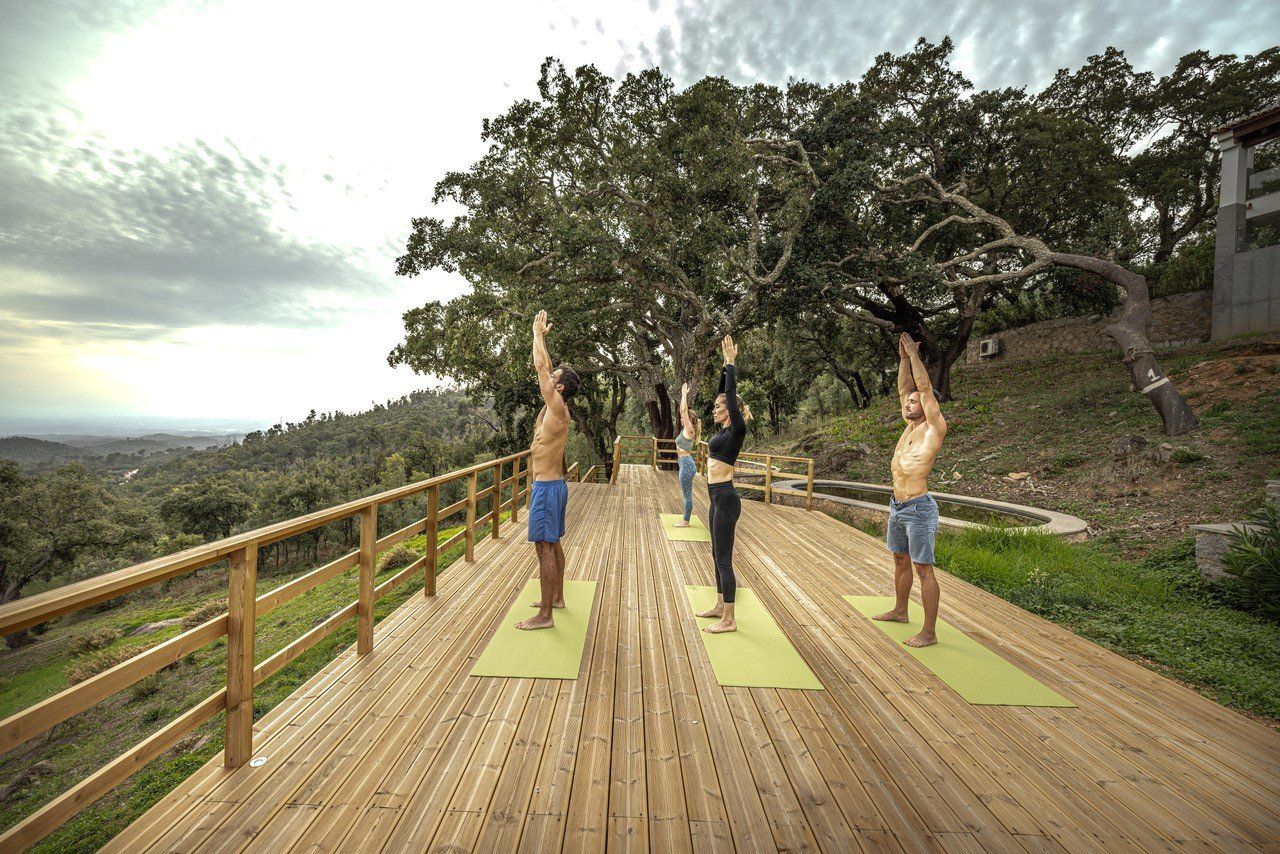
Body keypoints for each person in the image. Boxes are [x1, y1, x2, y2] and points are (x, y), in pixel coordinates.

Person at [872, 332, 948, 647]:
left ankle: (929, 632)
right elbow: (905, 388)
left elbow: (923, 388)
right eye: (907, 402)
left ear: (928, 406)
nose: (907, 403)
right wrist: (903, 358)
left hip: (919, 508)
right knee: (900, 560)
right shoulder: (909, 428)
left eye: (913, 402)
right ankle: (901, 611)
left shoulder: (934, 428)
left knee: (923, 569)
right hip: (897, 506)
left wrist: (915, 356)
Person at [516, 309, 580, 631]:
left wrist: (536, 334)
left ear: (561, 388)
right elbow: (547, 366)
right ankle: (556, 598)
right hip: (553, 486)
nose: (548, 375)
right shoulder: (553, 406)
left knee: (544, 548)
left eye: (555, 377)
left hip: (547, 488)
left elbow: (541, 366)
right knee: (553, 544)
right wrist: (542, 341)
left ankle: (545, 616)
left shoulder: (557, 407)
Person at [695, 335, 751, 633]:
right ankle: (720, 606)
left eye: (719, 407)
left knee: (725, 559)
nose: (714, 410)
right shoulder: (723, 431)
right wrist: (722, 368)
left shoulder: (737, 429)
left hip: (727, 498)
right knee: (716, 555)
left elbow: (728, 394)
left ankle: (729, 619)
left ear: (729, 410)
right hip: (715, 497)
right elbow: (722, 393)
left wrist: (731, 364)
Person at [673, 382, 701, 528]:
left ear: (689, 419)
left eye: (684, 418)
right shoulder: (686, 430)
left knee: (687, 495)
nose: (681, 419)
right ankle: (686, 519)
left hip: (686, 464)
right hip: (684, 463)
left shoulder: (689, 429)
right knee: (686, 494)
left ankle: (686, 521)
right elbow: (682, 413)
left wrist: (684, 394)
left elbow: (683, 411)